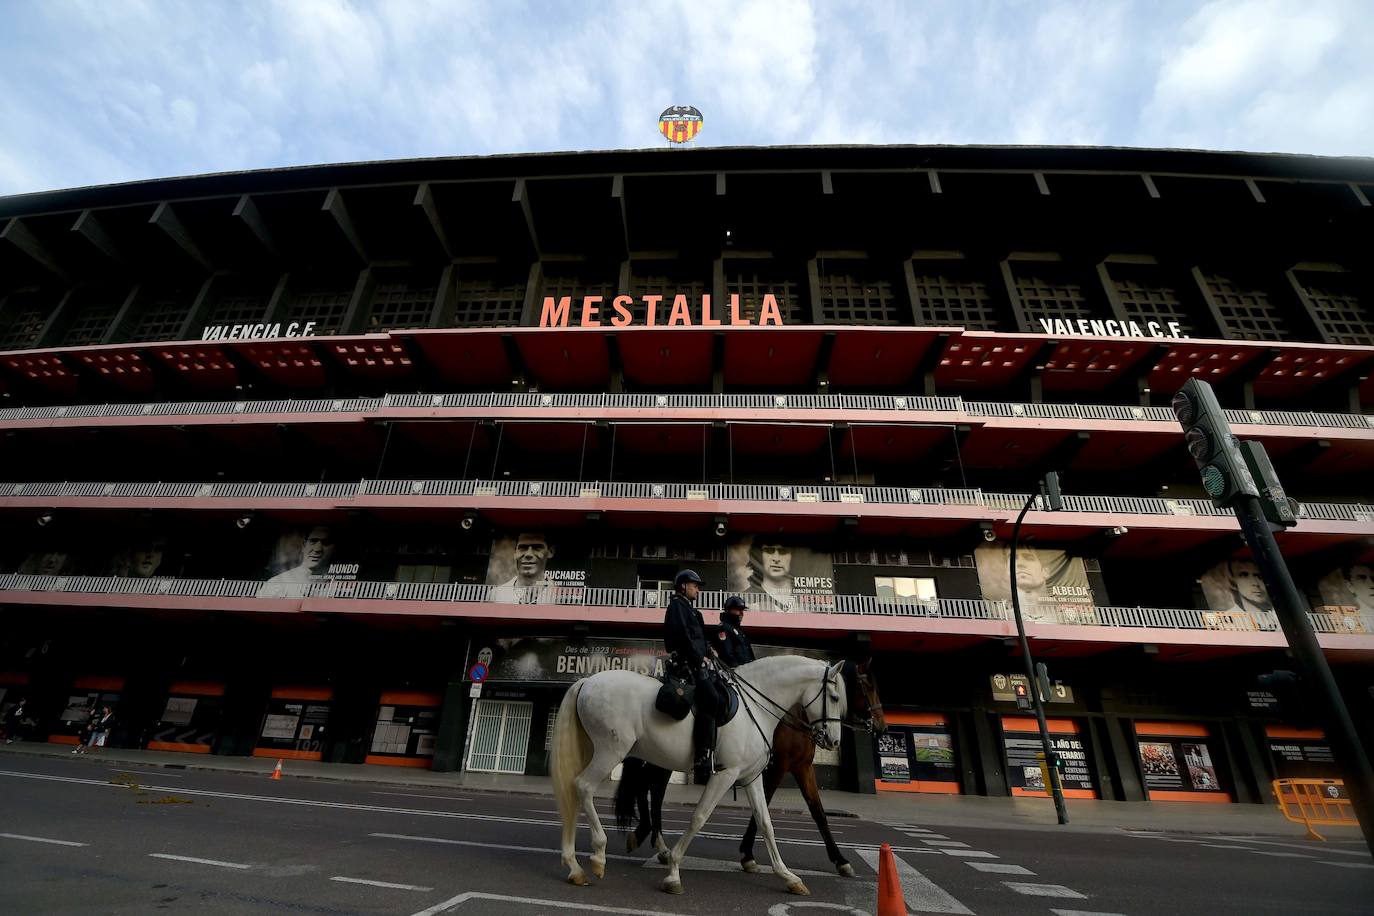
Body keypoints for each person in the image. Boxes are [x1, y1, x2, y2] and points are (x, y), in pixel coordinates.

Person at [663, 569, 726, 782]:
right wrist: (700, 658)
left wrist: (709, 650)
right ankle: (701, 756)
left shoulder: (694, 612)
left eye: (698, 586)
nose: (698, 589)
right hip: (686, 664)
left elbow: (699, 638)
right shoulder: (677, 606)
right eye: (695, 585)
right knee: (711, 698)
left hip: (698, 662)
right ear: (683, 586)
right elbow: (682, 636)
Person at [256, 525, 336, 597]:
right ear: (304, 546)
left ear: (333, 548)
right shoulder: (277, 583)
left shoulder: (337, 585)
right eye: (313, 541)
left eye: (326, 543)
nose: (317, 549)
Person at [490, 532, 556, 603]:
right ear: (515, 553)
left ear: (550, 552)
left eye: (537, 548)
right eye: (522, 548)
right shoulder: (496, 595)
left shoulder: (559, 595)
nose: (528, 554)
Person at [711, 596, 755, 668]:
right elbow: (726, 654)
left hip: (746, 673)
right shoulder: (723, 628)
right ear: (729, 610)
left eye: (742, 610)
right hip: (735, 674)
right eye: (739, 609)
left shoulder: (738, 630)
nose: (741, 613)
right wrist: (738, 670)